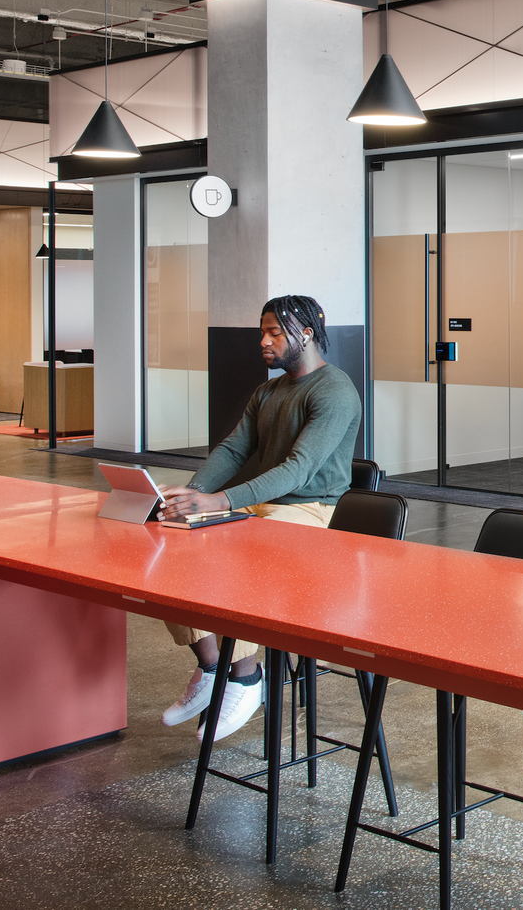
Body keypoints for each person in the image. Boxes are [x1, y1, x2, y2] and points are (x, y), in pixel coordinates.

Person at [157, 295, 363, 742]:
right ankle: (212, 667)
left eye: (274, 333)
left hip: (314, 510)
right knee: (176, 545)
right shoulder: (267, 391)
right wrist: (193, 495)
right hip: (265, 507)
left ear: (305, 333)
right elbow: (234, 450)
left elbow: (298, 470)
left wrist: (219, 501)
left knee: (240, 557)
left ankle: (247, 677)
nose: (264, 342)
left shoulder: (334, 390)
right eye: (262, 333)